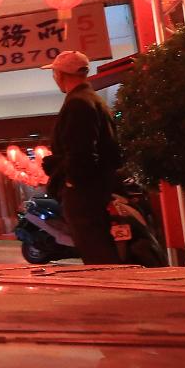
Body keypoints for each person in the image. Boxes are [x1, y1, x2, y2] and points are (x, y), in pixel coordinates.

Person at [46, 49, 125, 264]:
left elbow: (81, 151)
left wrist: (71, 182)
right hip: (100, 185)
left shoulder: (78, 103)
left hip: (84, 191)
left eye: (54, 73)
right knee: (100, 243)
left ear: (60, 74)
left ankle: (107, 282)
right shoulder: (94, 100)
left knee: (94, 247)